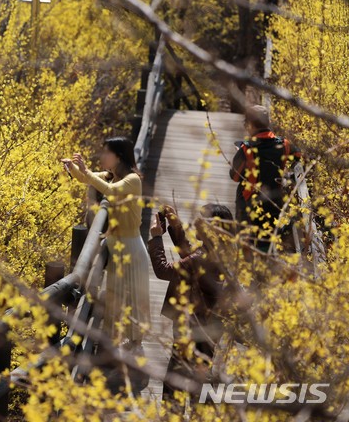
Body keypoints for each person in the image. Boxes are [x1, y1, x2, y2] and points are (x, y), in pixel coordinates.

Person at [62, 137, 151, 346]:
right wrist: (74, 168)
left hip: (130, 245)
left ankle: (135, 340)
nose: (102, 157)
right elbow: (88, 179)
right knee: (116, 294)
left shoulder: (132, 180)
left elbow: (110, 191)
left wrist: (86, 171)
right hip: (117, 245)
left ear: (118, 156)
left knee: (134, 295)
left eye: (106, 153)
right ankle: (114, 339)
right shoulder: (112, 176)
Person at [148, 204, 232, 399]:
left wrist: (156, 237)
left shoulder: (203, 257)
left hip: (192, 326)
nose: (195, 224)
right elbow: (190, 258)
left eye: (200, 221)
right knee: (198, 380)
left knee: (175, 385)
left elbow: (163, 270)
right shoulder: (220, 250)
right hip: (208, 326)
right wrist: (175, 228)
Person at [229, 105, 301, 251]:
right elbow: (299, 157)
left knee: (246, 246)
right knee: (266, 245)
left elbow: (235, 176)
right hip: (273, 202)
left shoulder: (246, 149)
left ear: (251, 124)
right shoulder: (284, 144)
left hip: (248, 205)